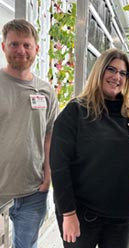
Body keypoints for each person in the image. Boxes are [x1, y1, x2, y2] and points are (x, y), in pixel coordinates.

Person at [50, 48, 129, 248]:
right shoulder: (76, 112)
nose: (117, 77)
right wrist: (68, 213)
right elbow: (59, 165)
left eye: (123, 73)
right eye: (111, 70)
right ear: (99, 71)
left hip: (120, 216)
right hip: (82, 214)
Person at [0, 19, 58, 248]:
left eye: (26, 45)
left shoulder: (45, 91)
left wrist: (47, 177)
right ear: (3, 47)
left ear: (36, 49)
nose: (20, 50)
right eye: (14, 44)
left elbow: (49, 135)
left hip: (33, 191)